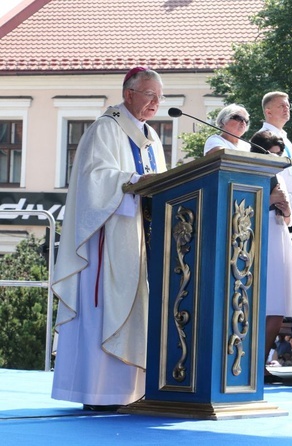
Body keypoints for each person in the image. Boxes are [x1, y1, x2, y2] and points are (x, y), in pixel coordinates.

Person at [51, 67, 167, 410]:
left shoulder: (152, 138)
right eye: (149, 94)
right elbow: (95, 178)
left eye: (159, 97)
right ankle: (98, 393)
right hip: (107, 238)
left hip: (140, 238)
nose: (155, 103)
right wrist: (134, 180)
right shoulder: (107, 128)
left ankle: (132, 391)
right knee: (105, 311)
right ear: (128, 93)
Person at [249, 130, 292, 384]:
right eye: (272, 154)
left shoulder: (280, 178)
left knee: (277, 308)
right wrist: (268, 199)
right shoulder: (249, 172)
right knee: (260, 305)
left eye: (279, 155)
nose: (276, 160)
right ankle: (251, 362)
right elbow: (240, 208)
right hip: (259, 238)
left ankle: (262, 361)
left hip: (279, 237)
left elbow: (288, 219)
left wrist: (286, 208)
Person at [258, 91, 292, 198]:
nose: (286, 108)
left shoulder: (286, 139)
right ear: (268, 112)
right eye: (281, 106)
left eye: (288, 105)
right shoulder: (261, 138)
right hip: (274, 201)